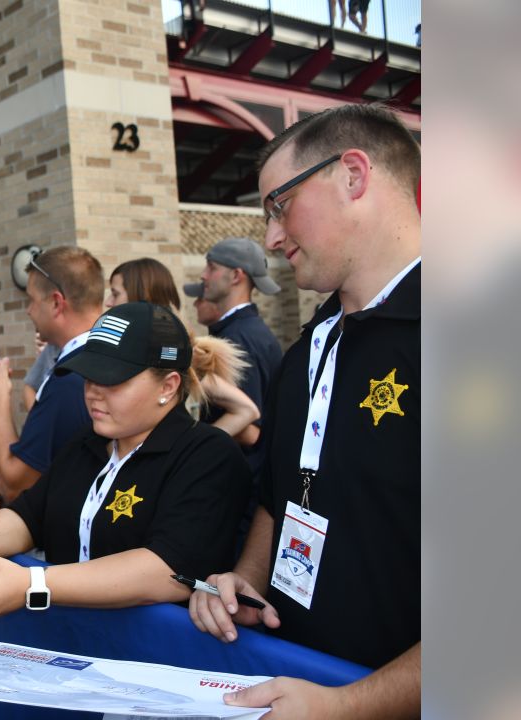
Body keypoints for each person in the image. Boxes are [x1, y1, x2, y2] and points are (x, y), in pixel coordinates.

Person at [187, 104, 421, 718]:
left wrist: (346, 705)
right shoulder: (311, 345)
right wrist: (248, 576)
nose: (271, 237)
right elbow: (283, 491)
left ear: (353, 175)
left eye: (279, 204)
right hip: (294, 676)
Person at [0, 303, 250, 617]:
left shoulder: (208, 454)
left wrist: (32, 583)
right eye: (88, 377)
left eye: (112, 380)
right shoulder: (88, 443)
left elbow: (166, 571)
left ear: (168, 386)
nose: (93, 392)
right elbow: (29, 518)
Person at [0, 246, 104, 504]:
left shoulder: (70, 379)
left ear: (56, 303)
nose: (28, 311)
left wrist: (0, 398)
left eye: (31, 300)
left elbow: (12, 484)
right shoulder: (116, 355)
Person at [107, 257, 261, 443]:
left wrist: (192, 447)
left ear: (139, 295)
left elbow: (246, 410)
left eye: (115, 294)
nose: (108, 302)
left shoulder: (170, 352)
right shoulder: (140, 346)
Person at [183, 237, 284, 471]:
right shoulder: (243, 331)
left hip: (242, 478)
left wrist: (192, 447)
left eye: (212, 267)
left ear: (237, 276)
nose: (203, 276)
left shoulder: (240, 339)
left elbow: (251, 432)